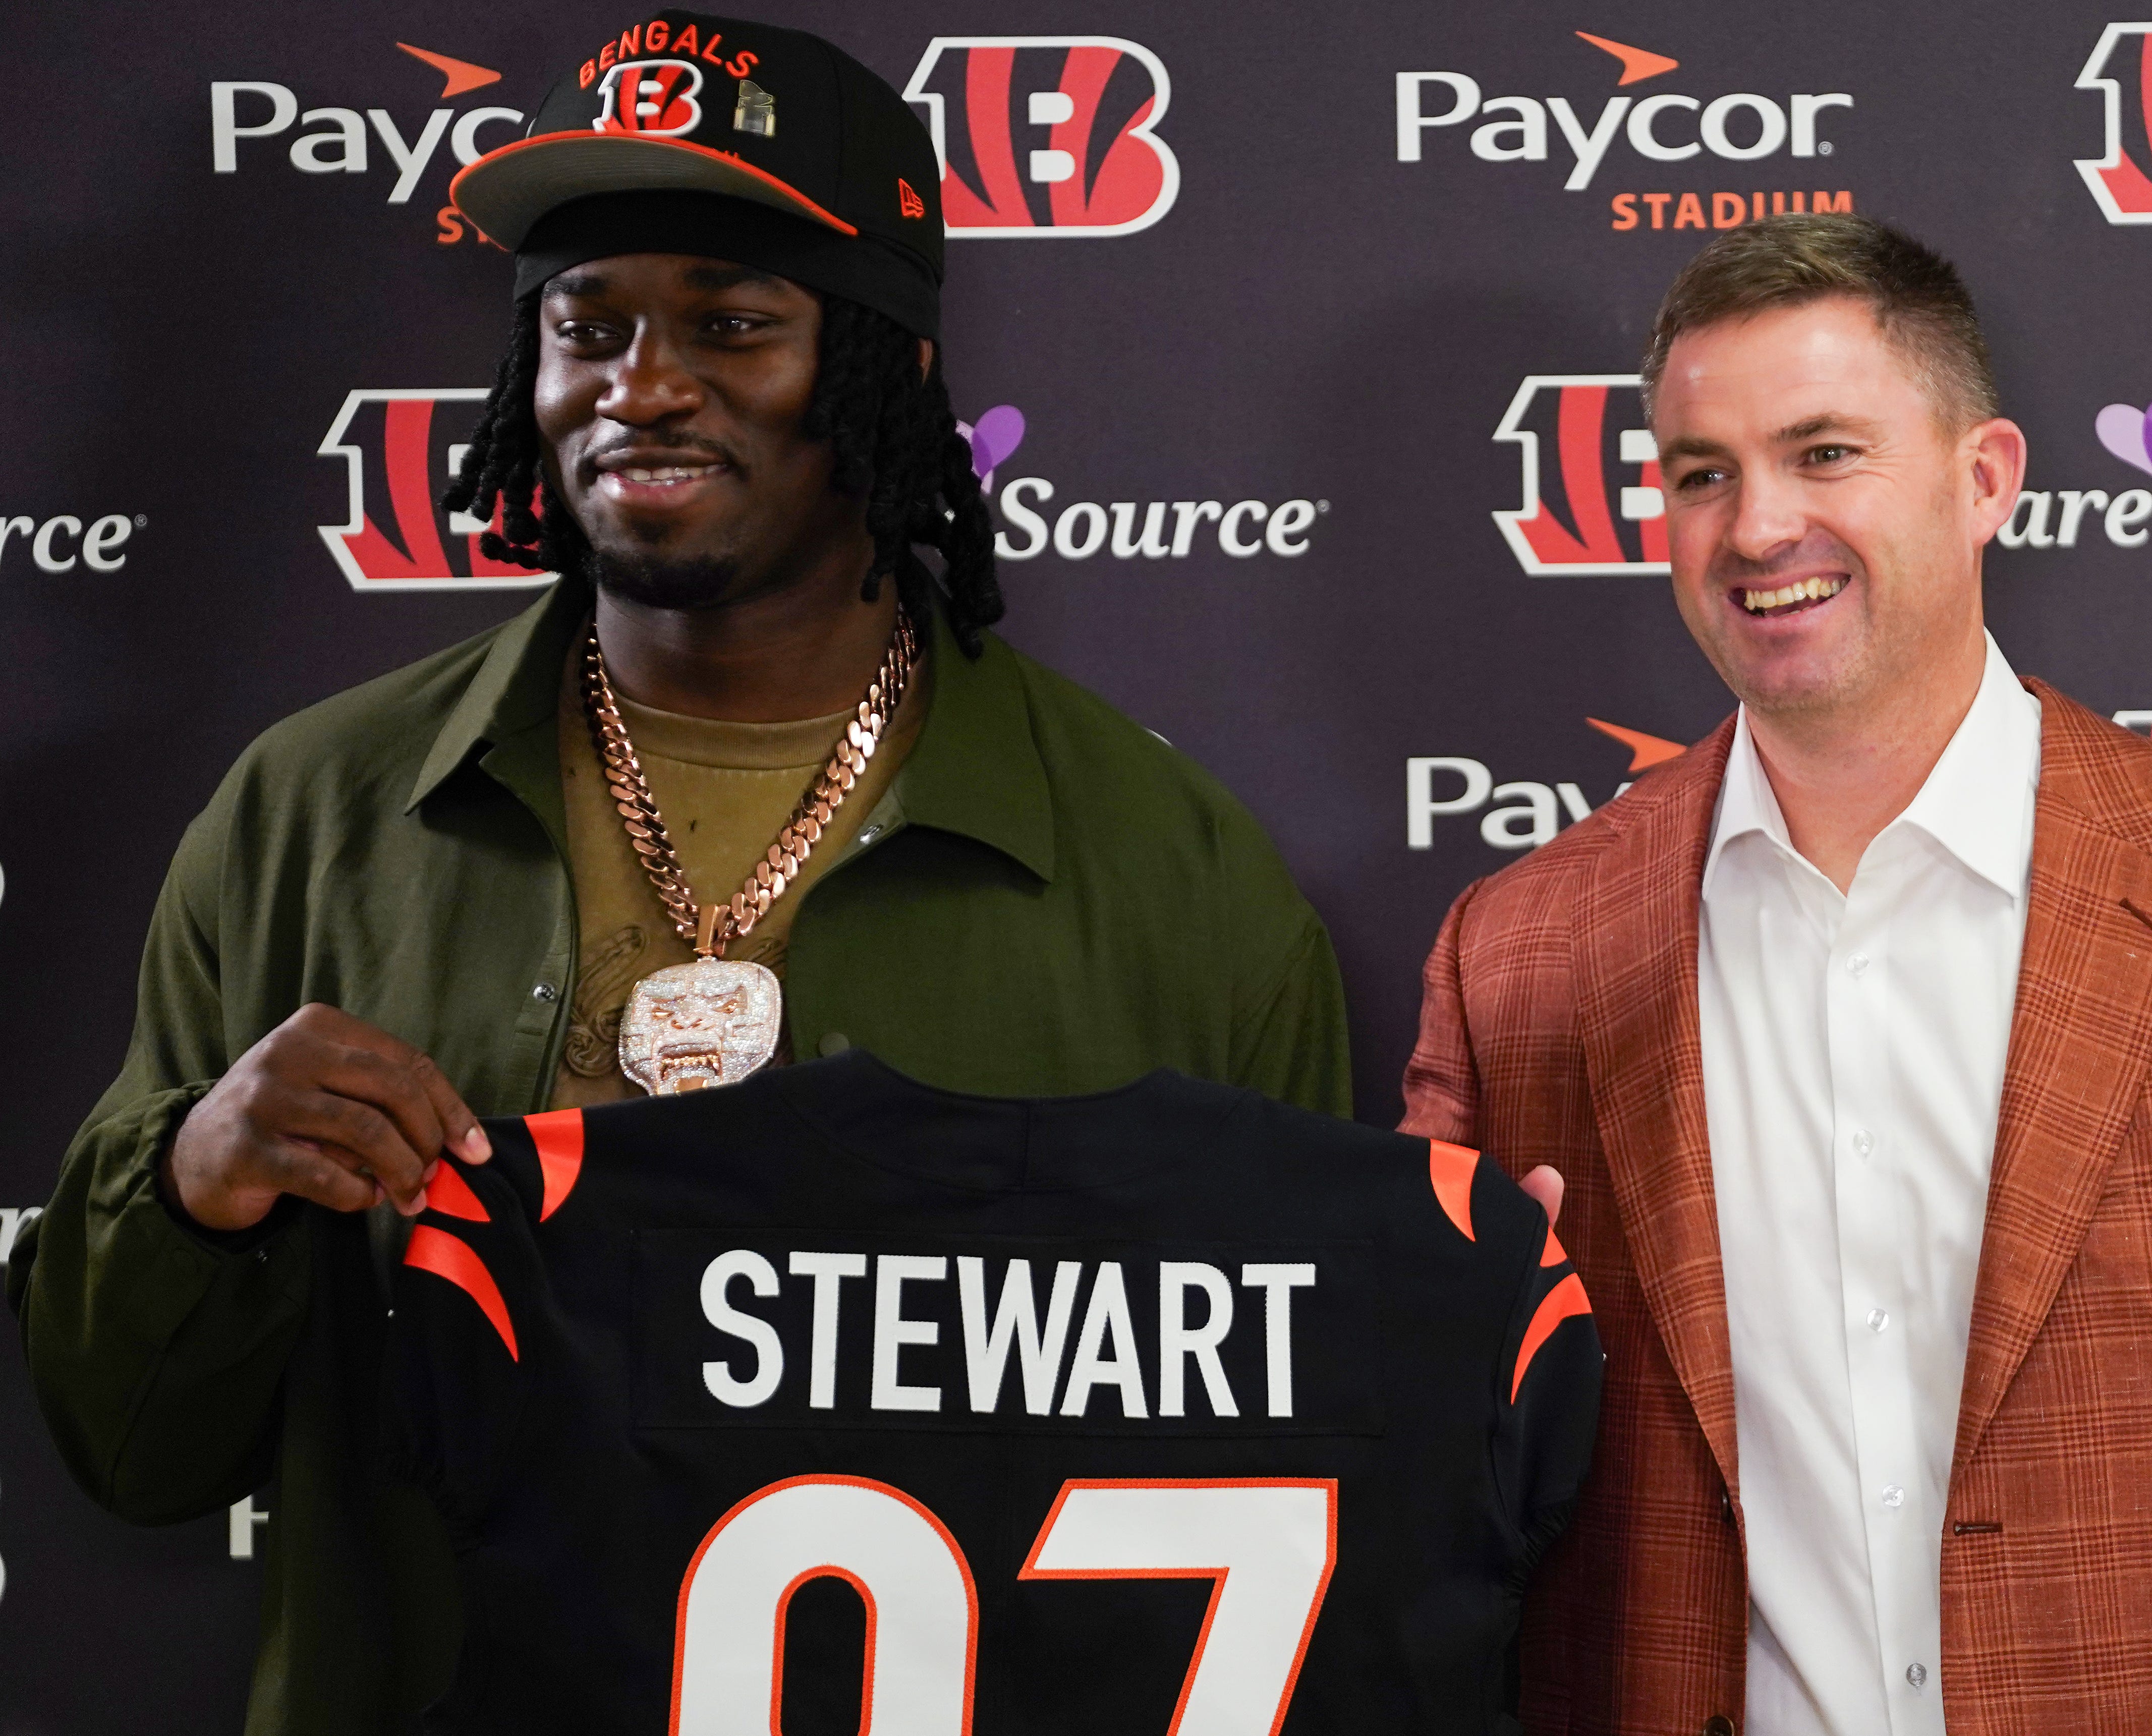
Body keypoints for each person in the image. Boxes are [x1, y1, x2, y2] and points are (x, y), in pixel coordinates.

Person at [10, 12, 1347, 1730]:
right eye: (587, 326)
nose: (639, 384)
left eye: (730, 322)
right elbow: (133, 1453)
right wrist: (196, 1186)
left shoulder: (1174, 876)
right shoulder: (312, 810)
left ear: (885, 365)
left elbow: (1282, 1494)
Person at [1402, 212, 2152, 1735]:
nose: (1757, 526)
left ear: (1984, 481)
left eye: (1824, 453)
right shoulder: (1519, 955)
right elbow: (1443, 1521)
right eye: (1702, 473)